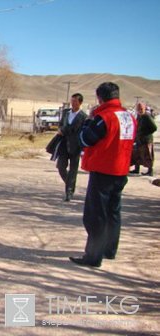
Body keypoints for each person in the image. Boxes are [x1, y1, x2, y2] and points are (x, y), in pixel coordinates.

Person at [70, 82, 136, 267]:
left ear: (100, 97)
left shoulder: (104, 117)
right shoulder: (129, 116)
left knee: (95, 215)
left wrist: (88, 122)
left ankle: (93, 255)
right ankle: (109, 250)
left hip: (103, 169)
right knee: (114, 212)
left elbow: (86, 139)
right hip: (121, 170)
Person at [130, 102, 157, 176]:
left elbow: (154, 127)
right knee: (137, 154)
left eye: (141, 109)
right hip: (139, 139)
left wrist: (146, 133)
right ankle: (136, 169)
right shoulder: (139, 117)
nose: (140, 110)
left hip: (146, 140)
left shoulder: (147, 117)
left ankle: (150, 171)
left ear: (144, 109)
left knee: (148, 155)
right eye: (138, 109)